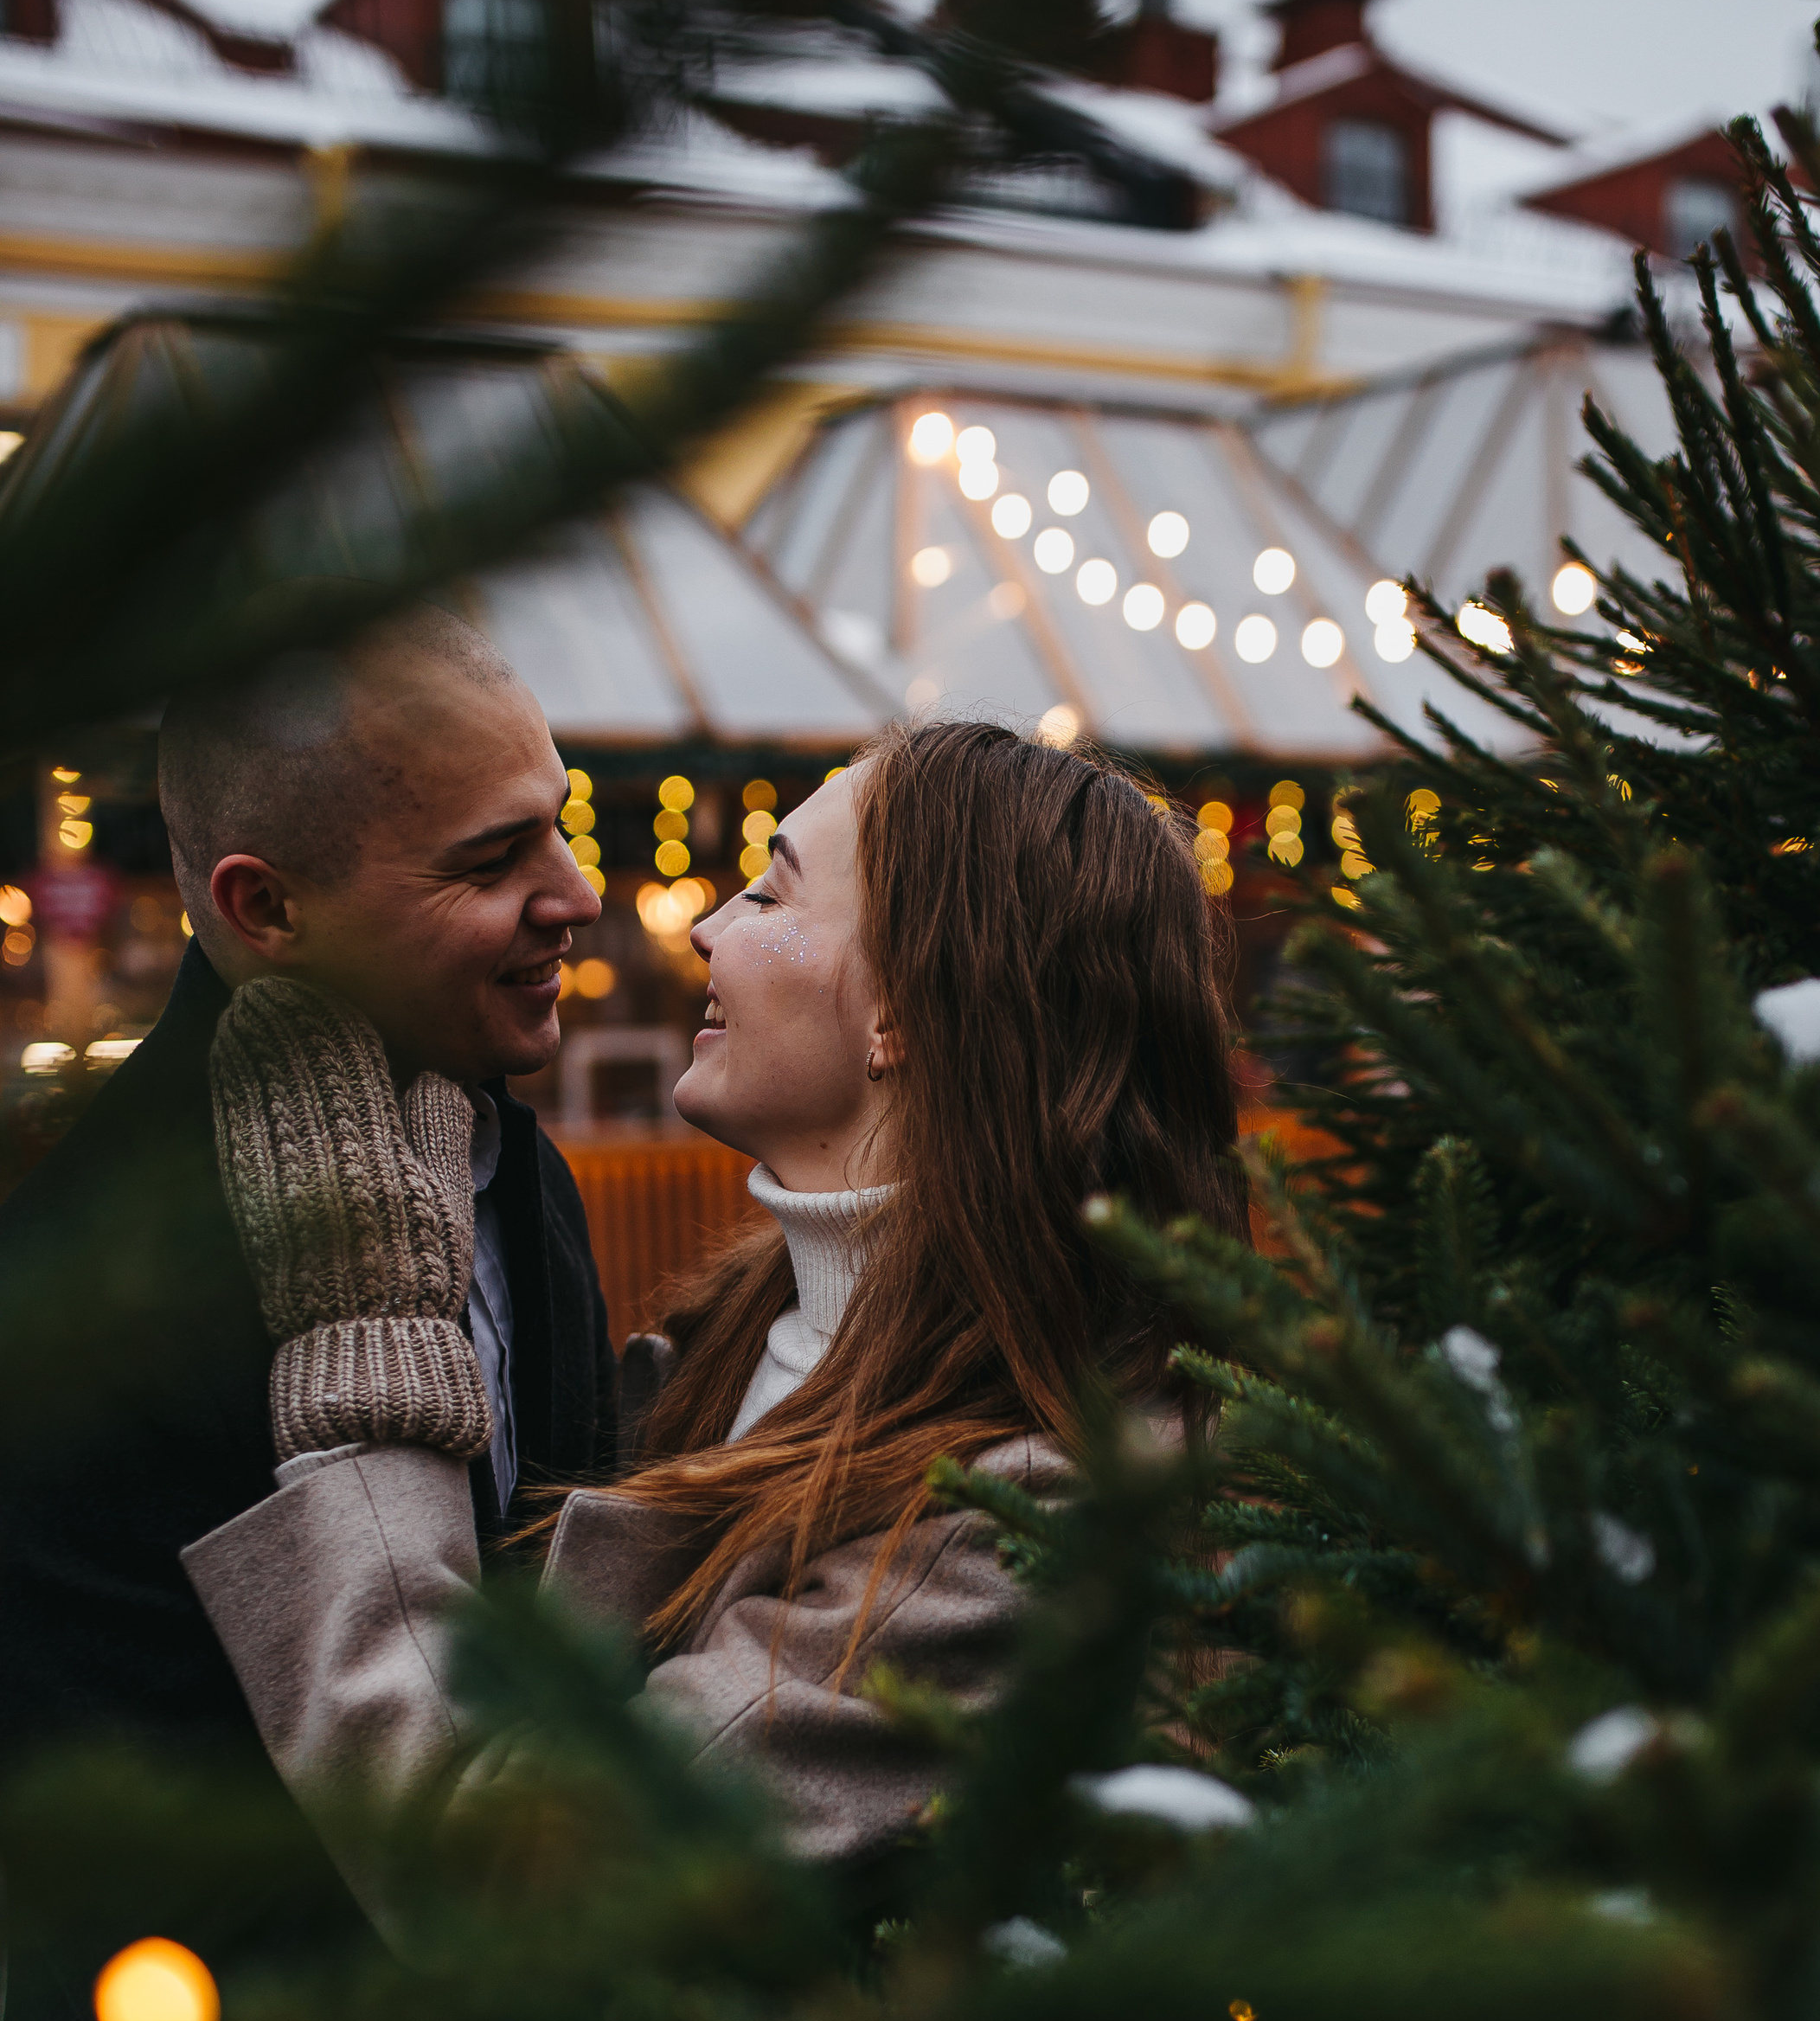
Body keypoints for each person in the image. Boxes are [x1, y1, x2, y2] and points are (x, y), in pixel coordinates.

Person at [0, 601, 614, 2021]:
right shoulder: (113, 1268)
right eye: (488, 859)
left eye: (567, 821)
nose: (577, 897)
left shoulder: (485, 1140)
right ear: (257, 908)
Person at [181, 716, 1246, 1893]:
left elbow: (504, 1878)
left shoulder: (1020, 1523)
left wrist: (368, 1340)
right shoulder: (749, 1335)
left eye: (767, 896)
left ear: (906, 1012)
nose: (703, 926)